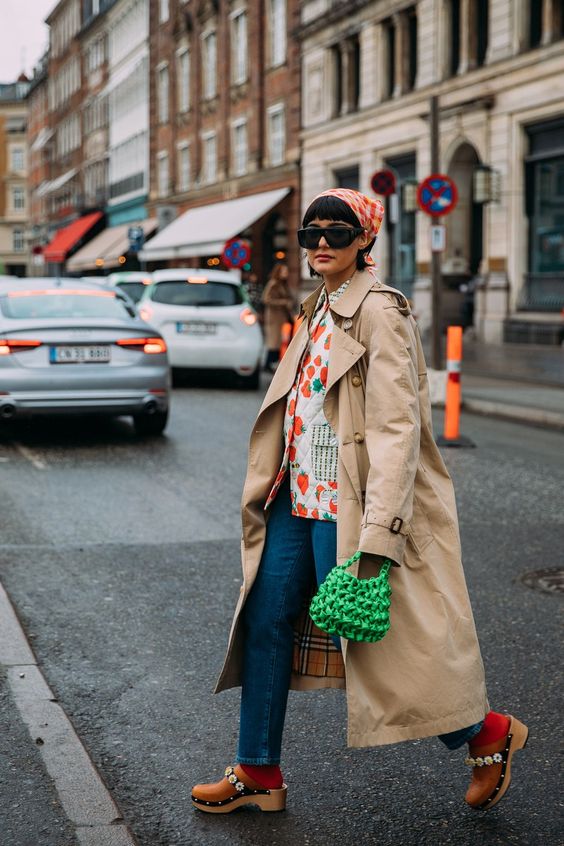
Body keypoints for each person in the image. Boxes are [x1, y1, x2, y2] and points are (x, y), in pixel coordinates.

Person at [192, 188, 528, 815]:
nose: (321, 242)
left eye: (338, 233)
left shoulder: (381, 311)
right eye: (311, 232)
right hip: (297, 496)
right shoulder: (318, 304)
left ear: (365, 240)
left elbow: (399, 430)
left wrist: (380, 533)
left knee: (377, 642)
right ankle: (257, 769)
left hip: (349, 505)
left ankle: (486, 733)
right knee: (265, 623)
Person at [261, 263, 295, 371]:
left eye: (287, 271)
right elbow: (266, 299)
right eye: (284, 271)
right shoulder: (273, 283)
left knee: (278, 341)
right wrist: (283, 302)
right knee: (274, 341)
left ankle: (272, 363)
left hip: (281, 317)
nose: (286, 273)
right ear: (278, 272)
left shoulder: (282, 284)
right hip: (274, 318)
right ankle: (269, 364)